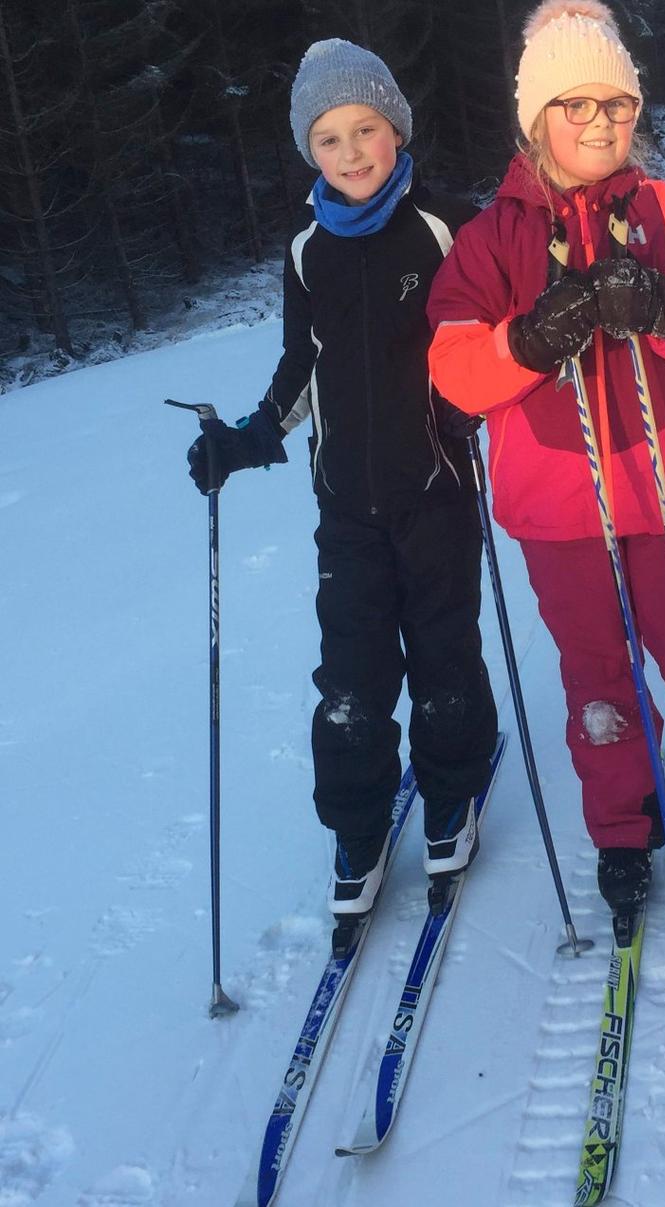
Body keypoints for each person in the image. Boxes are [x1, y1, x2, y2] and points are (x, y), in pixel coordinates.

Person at [426, 0, 665, 917]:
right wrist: (529, 338)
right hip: (559, 513)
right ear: (537, 117)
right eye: (576, 104)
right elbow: (452, 370)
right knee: (596, 675)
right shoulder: (491, 242)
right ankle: (625, 824)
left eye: (618, 103)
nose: (600, 122)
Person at [186, 39, 498, 946]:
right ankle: (359, 832)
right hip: (345, 509)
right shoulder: (307, 248)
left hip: (436, 489)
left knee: (444, 654)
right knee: (351, 681)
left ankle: (450, 800)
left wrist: (479, 405)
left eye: (366, 129)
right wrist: (246, 440)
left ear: (396, 130)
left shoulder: (448, 224)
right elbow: (302, 361)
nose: (352, 151)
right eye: (330, 137)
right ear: (309, 151)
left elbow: (495, 335)